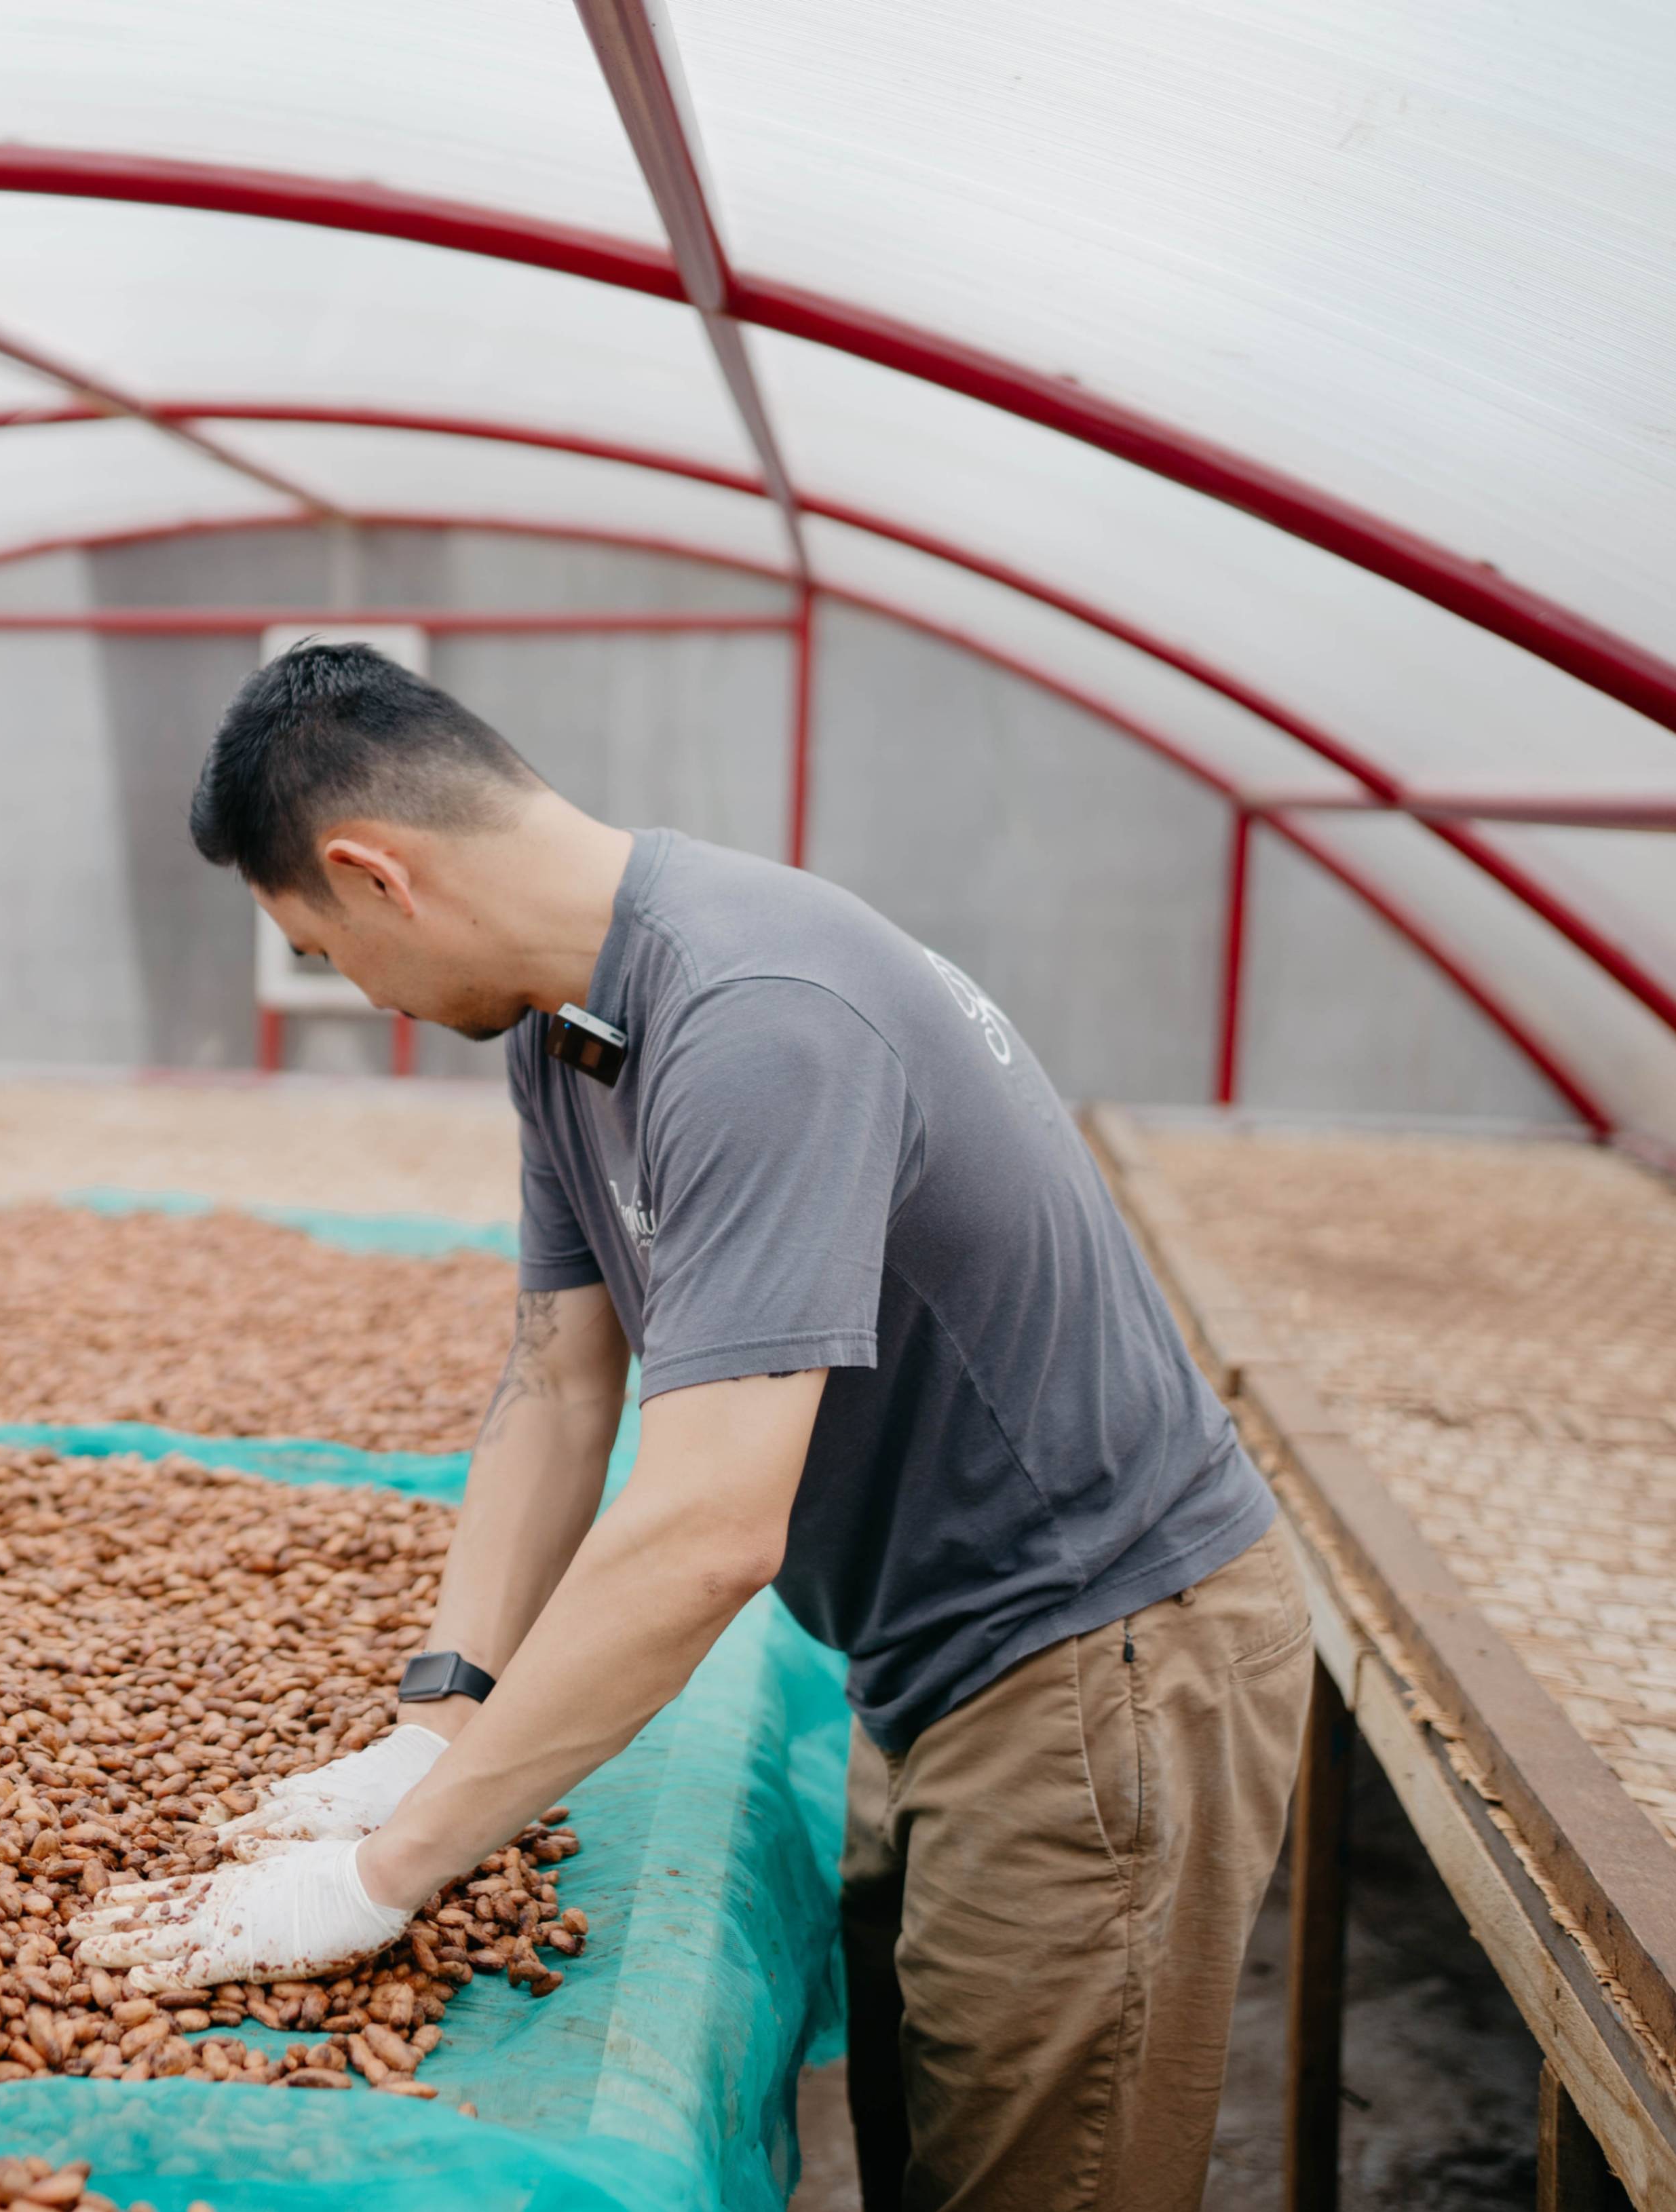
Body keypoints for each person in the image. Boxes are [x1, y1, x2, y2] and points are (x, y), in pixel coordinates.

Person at [73, 645, 1310, 2212]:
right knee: (936, 2115)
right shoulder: (567, 1021)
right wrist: (436, 1717)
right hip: (944, 1639)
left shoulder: (753, 1018)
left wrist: (382, 1874)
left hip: (1099, 1647)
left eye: (324, 949)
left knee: (1040, 2166)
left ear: (375, 872)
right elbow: (556, 1382)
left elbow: (709, 1526)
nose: (363, 998)